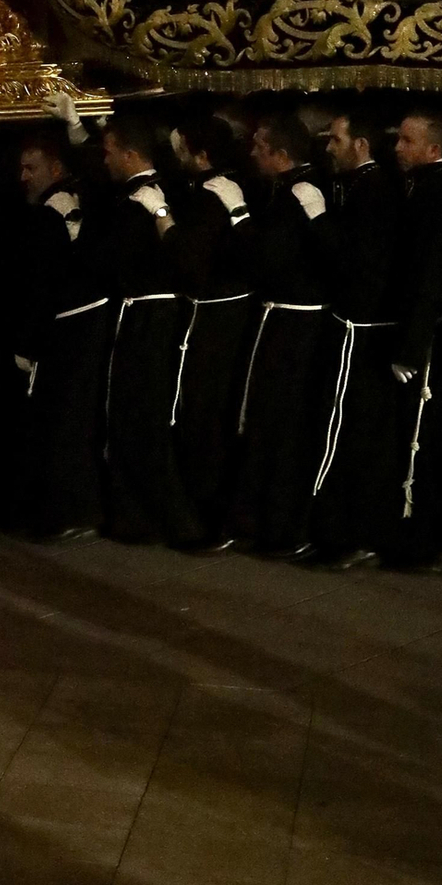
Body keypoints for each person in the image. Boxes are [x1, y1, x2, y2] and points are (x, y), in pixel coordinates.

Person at [96, 115, 203, 548]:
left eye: (108, 152)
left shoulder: (149, 198)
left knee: (142, 420)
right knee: (127, 418)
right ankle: (132, 515)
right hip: (146, 316)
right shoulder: (152, 192)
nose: (104, 161)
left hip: (150, 320)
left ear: (129, 154)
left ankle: (176, 522)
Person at [228, 112, 331, 556]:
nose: (252, 152)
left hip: (295, 326)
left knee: (282, 425)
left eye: (260, 146)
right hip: (285, 320)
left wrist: (236, 215)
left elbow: (269, 257)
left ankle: (283, 528)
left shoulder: (301, 193)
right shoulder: (285, 191)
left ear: (281, 155)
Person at [302, 106, 401, 568]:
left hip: (360, 326)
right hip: (364, 323)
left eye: (336, 140)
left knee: (346, 428)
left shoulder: (375, 191)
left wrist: (318, 218)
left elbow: (353, 260)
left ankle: (349, 535)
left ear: (361, 145)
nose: (328, 148)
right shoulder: (366, 186)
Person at [7, 125, 109, 542]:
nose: (24, 177)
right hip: (84, 324)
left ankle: (68, 511)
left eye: (32, 168)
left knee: (62, 423)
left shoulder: (53, 211)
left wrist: (27, 344)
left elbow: (42, 285)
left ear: (56, 167)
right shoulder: (76, 200)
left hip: (67, 330)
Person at [166, 110, 254, 545]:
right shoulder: (220, 187)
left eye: (180, 149)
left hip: (214, 322)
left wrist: (163, 222)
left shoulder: (209, 197)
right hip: (225, 317)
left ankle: (209, 519)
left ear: (199, 155)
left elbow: (193, 265)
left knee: (205, 417)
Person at [384, 109, 442, 568]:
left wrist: (411, 345)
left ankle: (423, 542)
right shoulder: (430, 188)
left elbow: (430, 274)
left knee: (422, 441)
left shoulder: (438, 194)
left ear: (433, 149)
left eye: (408, 141)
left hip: (429, 336)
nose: (398, 148)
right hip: (428, 328)